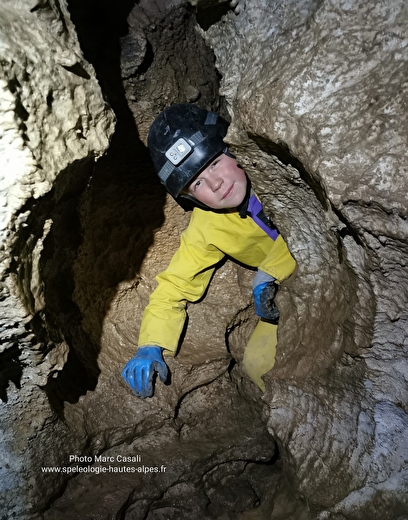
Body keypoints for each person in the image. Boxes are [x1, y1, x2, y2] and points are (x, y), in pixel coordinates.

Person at [122, 103, 296, 398]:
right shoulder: (206, 228)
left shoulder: (278, 166)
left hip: (333, 266)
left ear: (232, 147)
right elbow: (173, 287)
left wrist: (271, 271)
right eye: (197, 182)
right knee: (257, 364)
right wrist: (149, 345)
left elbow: (315, 227)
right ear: (189, 198)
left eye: (214, 162)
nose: (215, 184)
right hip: (289, 294)